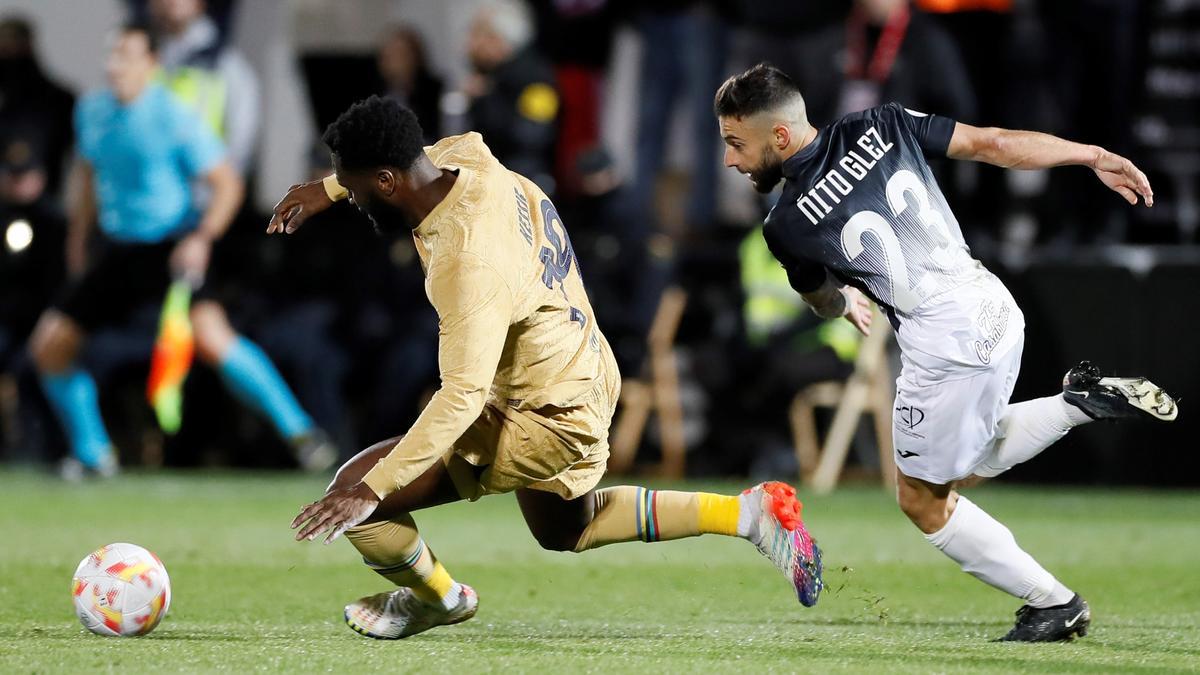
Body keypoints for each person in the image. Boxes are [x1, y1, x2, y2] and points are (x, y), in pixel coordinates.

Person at [267, 95, 822, 640]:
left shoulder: (468, 261)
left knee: (358, 496)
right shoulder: (467, 157)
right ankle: (751, 516)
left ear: (387, 182)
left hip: (543, 413)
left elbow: (460, 397)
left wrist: (375, 487)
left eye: (361, 190)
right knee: (566, 530)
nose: (359, 204)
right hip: (580, 366)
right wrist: (331, 187)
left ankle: (438, 598)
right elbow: (418, 152)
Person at [713, 63, 1178, 642]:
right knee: (962, 464)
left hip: (944, 344)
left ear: (778, 137)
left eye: (736, 143)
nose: (731, 160)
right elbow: (994, 145)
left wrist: (847, 305)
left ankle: (1055, 603)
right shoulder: (880, 123)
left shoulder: (784, 224)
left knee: (923, 499)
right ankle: (1079, 403)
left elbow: (821, 300)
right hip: (995, 306)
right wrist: (1090, 155)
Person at [28, 23, 333, 477]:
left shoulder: (173, 115)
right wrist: (78, 239)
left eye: (127, 56)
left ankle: (303, 436)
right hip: (117, 250)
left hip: (169, 246)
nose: (115, 66)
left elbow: (227, 184)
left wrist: (201, 238)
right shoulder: (92, 111)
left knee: (212, 340)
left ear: (151, 64)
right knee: (49, 347)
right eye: (112, 55)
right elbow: (89, 177)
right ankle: (94, 453)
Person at [462, 0, 559, 193]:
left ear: (499, 39)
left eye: (478, 33)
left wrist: (485, 100)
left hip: (523, 187)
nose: (470, 43)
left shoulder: (536, 78)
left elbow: (533, 135)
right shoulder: (491, 76)